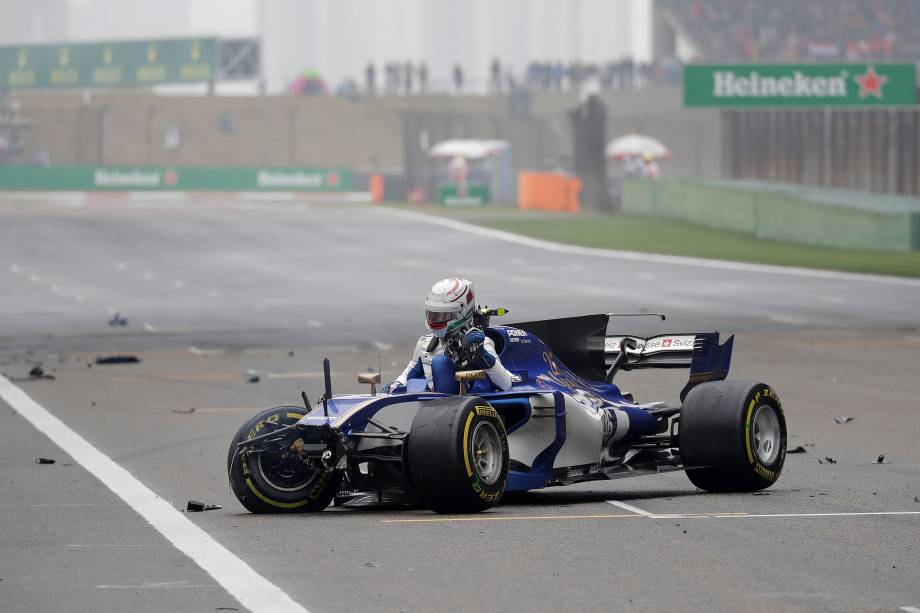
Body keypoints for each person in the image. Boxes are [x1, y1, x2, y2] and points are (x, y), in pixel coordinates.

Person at [383, 278, 514, 394]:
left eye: (442, 315)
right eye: (433, 314)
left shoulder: (481, 343)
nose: (435, 319)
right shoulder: (425, 345)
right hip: (430, 408)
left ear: (462, 312)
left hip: (464, 407)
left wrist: (481, 354)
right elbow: (407, 377)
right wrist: (395, 385)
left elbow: (506, 384)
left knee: (440, 363)